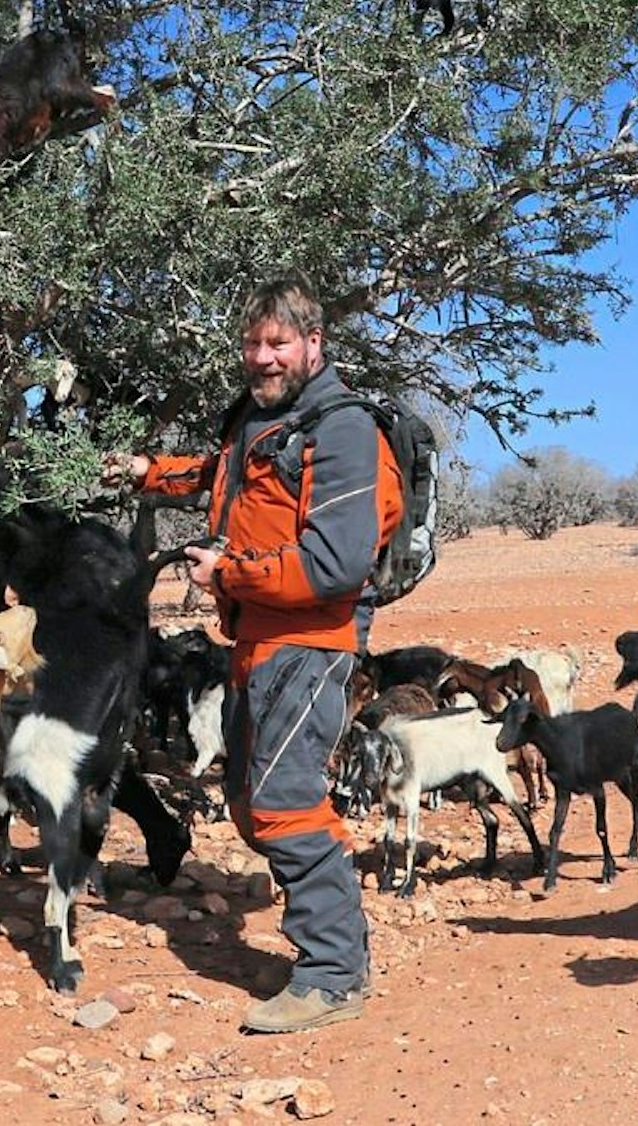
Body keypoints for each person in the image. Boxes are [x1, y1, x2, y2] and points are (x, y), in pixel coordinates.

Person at [115, 270, 403, 1033]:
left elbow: (336, 564)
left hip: (311, 645)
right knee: (248, 799)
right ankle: (330, 953)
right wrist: (151, 473)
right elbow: (227, 479)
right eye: (253, 343)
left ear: (315, 343)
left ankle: (333, 974)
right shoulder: (261, 422)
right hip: (256, 640)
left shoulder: (342, 431)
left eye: (279, 343)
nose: (263, 357)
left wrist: (230, 570)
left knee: (285, 801)